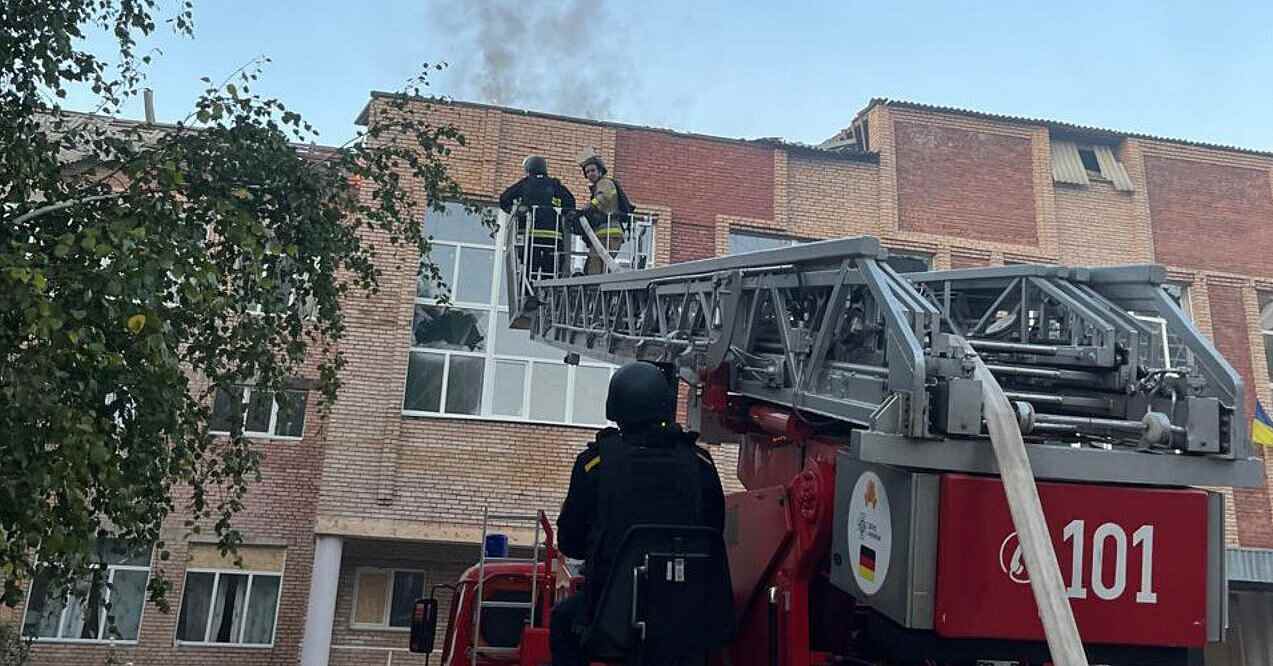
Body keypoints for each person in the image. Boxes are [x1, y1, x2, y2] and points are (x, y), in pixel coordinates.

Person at [551, 361, 726, 666]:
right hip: (686, 620)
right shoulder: (700, 464)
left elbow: (571, 542)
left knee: (563, 620)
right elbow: (713, 534)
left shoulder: (594, 465)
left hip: (612, 620)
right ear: (665, 406)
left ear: (615, 408)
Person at [500, 155, 576, 280]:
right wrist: (565, 214)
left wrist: (515, 210)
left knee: (530, 270)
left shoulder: (525, 183)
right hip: (554, 236)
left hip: (531, 235)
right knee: (550, 272)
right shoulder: (555, 185)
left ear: (529, 169)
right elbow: (571, 203)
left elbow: (504, 198)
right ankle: (548, 290)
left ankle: (528, 290)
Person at [576, 152, 633, 275]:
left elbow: (604, 196)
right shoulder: (599, 185)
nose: (590, 174)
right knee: (599, 268)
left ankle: (595, 287)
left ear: (600, 170)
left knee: (594, 269)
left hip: (608, 233)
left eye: (593, 170)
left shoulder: (604, 182)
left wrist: (587, 208)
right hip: (605, 233)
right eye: (587, 172)